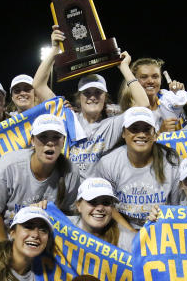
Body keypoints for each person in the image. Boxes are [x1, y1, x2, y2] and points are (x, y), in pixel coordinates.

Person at [33, 41, 149, 179]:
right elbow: (38, 85)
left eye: (98, 92)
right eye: (87, 92)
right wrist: (54, 49)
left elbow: (143, 104)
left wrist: (124, 68)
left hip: (98, 195)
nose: (92, 97)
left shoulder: (112, 125)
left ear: (105, 97)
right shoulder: (68, 117)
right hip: (69, 194)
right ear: (79, 97)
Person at [0, 114, 79, 242]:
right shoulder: (8, 166)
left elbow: (68, 214)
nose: (50, 143)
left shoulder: (71, 171)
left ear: (63, 141)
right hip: (8, 231)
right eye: (43, 137)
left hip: (45, 234)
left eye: (56, 137)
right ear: (32, 140)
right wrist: (3, 247)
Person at [87, 107, 181, 229]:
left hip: (161, 228)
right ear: (123, 133)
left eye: (147, 129)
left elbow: (176, 207)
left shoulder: (171, 161)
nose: (141, 134)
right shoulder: (108, 162)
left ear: (155, 134)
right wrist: (132, 234)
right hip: (121, 229)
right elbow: (106, 206)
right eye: (134, 129)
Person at [117, 56, 184, 132]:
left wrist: (182, 97)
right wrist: (160, 133)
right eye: (144, 77)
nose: (151, 81)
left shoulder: (167, 98)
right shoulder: (132, 110)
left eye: (155, 77)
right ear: (134, 81)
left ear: (161, 79)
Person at [69, 177, 138, 251]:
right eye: (93, 202)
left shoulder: (128, 241)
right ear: (78, 206)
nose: (100, 208)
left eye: (106, 202)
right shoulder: (62, 226)